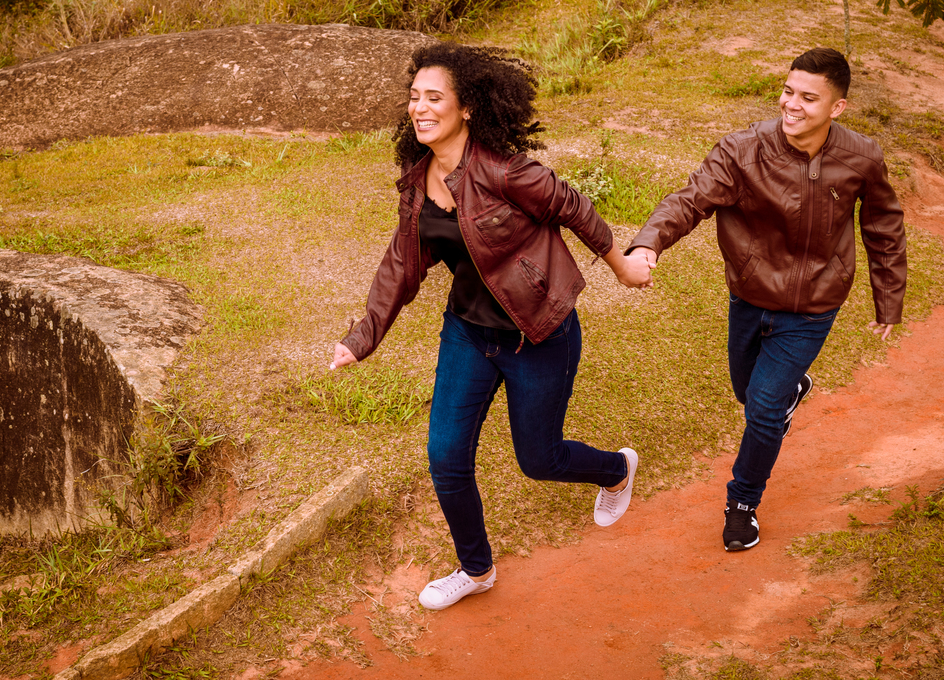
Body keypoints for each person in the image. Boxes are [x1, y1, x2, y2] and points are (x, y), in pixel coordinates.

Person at [333, 42, 652, 610]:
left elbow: (571, 205)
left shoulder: (505, 171)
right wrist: (362, 338)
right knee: (446, 458)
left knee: (539, 459)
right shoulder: (418, 182)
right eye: (414, 98)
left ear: (467, 109)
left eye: (435, 98)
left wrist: (623, 265)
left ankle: (615, 469)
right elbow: (402, 265)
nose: (420, 109)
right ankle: (476, 568)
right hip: (468, 334)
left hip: (538, 334)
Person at [626, 47, 907, 552]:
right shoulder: (742, 151)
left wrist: (887, 298)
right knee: (747, 389)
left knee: (761, 408)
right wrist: (650, 241)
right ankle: (790, 389)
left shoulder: (861, 157)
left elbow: (883, 226)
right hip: (752, 297)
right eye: (787, 91)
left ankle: (742, 503)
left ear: (837, 108)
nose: (791, 105)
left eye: (807, 97)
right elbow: (690, 200)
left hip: (815, 305)